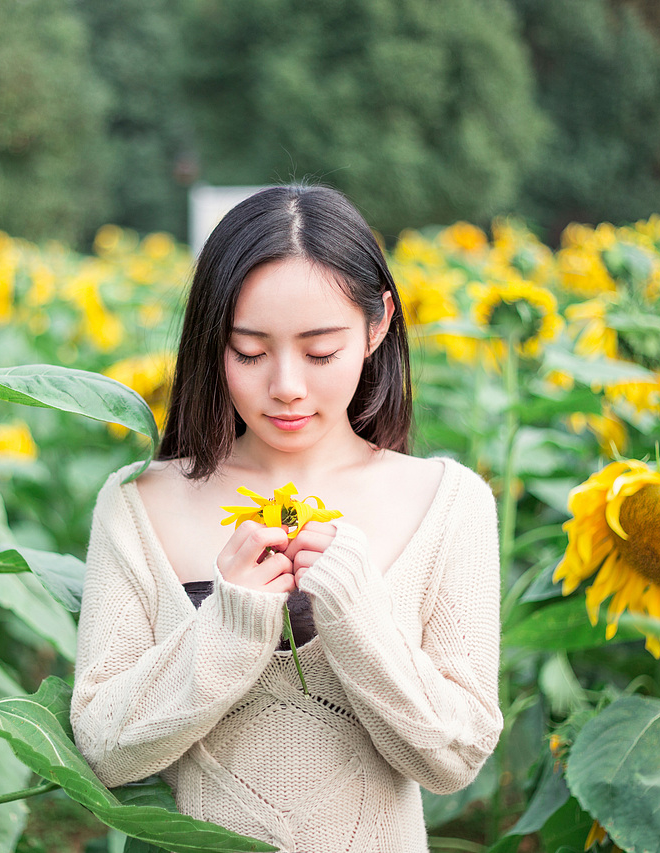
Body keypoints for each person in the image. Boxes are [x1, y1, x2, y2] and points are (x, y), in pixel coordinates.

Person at [70, 184, 503, 853]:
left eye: (321, 350)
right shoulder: (138, 501)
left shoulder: (450, 502)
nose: (287, 385)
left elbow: (455, 758)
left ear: (379, 323)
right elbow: (101, 748)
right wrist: (231, 622)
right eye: (249, 351)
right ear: (211, 343)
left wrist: (357, 612)